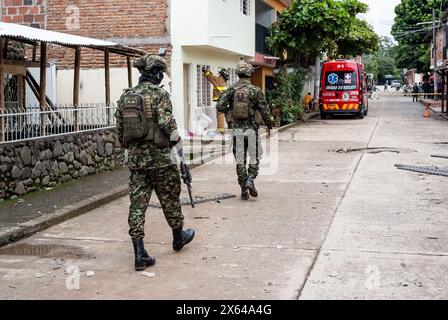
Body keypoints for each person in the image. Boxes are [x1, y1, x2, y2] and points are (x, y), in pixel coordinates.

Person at [115, 54, 195, 271]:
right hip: (160, 160)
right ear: (158, 74)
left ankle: (139, 253)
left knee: (137, 206)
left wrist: (135, 151)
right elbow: (167, 123)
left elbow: (120, 133)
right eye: (162, 75)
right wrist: (179, 147)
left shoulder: (126, 97)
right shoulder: (160, 95)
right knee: (170, 199)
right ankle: (178, 238)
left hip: (137, 162)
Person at [216, 62, 273, 201]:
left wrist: (231, 109)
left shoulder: (230, 90)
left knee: (240, 160)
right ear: (249, 73)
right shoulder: (255, 90)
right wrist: (270, 124)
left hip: (236, 130)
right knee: (255, 156)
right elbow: (265, 110)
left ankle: (243, 189)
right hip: (251, 129)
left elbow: (219, 106)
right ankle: (251, 179)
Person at [203, 67, 230, 134]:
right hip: (227, 101)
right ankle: (229, 129)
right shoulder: (226, 83)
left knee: (220, 114)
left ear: (221, 74)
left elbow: (209, 77)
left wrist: (206, 71)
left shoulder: (218, 80)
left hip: (221, 100)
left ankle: (221, 130)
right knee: (227, 115)